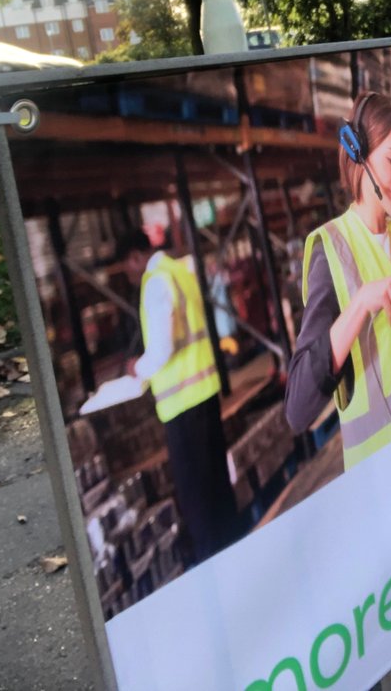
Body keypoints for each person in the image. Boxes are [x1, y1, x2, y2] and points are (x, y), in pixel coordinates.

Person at [285, 92, 391, 470]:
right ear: (358, 155)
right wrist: (360, 303)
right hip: (386, 482)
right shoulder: (331, 250)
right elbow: (298, 409)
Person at [114, 229, 240, 563]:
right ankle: (237, 551)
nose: (128, 275)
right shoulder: (179, 272)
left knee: (198, 500)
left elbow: (162, 348)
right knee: (217, 486)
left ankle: (215, 565)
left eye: (126, 268)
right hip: (205, 393)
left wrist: (137, 368)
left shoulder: (156, 281)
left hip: (183, 406)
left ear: (135, 257)